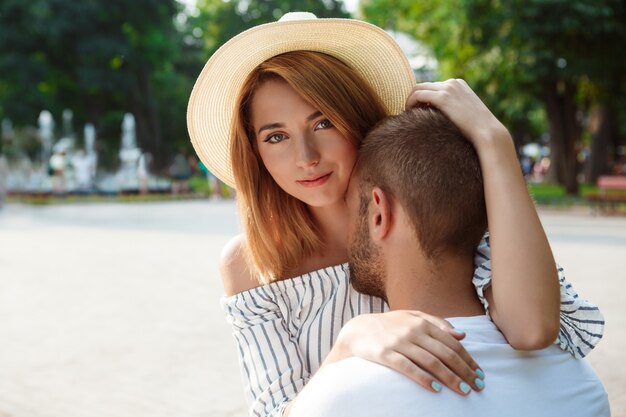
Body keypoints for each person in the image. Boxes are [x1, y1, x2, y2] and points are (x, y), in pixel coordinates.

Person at [186, 12, 604, 417]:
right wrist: (350, 341)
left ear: (357, 118)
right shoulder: (253, 264)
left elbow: (531, 329)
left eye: (323, 123)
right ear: (256, 153)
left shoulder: (425, 206)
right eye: (276, 136)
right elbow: (274, 413)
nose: (305, 158)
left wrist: (493, 141)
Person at [288, 107, 610, 417]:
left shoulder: (340, 397)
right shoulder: (581, 386)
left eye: (349, 206)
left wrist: (341, 350)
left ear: (378, 213)